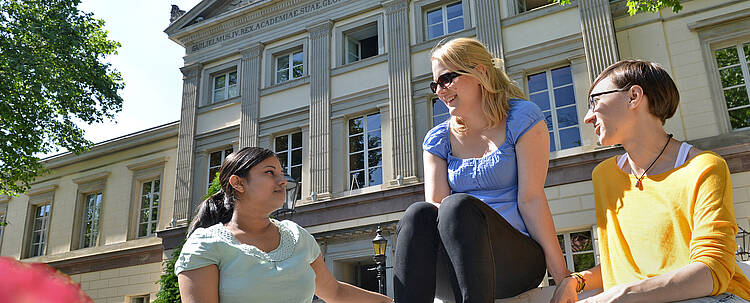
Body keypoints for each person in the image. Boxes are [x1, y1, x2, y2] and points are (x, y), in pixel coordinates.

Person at [551, 60, 750, 303]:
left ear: (634, 97)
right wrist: (576, 280)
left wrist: (620, 296)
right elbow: (623, 264)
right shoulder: (604, 176)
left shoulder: (703, 167)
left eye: (595, 101)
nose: (587, 117)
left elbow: (711, 271)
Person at [393, 37, 571, 303]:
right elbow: (434, 211)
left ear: (480, 72)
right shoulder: (437, 139)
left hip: (514, 262)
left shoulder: (522, 119)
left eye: (447, 79)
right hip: (456, 264)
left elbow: (531, 199)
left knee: (457, 206)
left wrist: (563, 277)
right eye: (435, 84)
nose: (440, 91)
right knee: (419, 212)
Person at [175, 147, 392, 303]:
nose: (283, 181)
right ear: (238, 183)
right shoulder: (206, 244)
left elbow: (334, 292)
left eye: (281, 173)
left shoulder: (297, 236)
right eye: (270, 172)